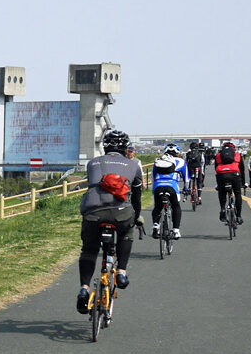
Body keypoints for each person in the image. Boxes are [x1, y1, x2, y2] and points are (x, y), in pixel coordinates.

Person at [76, 130, 143, 314]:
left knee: (89, 250)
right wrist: (136, 217)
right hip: (121, 213)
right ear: (125, 148)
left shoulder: (92, 163)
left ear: (105, 147)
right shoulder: (133, 165)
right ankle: (121, 272)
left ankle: (84, 289)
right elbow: (136, 198)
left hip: (93, 213)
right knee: (126, 233)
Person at [150, 143, 188, 240]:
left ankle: (155, 226)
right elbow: (186, 178)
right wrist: (186, 188)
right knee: (176, 206)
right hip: (172, 187)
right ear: (178, 152)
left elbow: (153, 177)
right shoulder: (181, 162)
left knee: (157, 207)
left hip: (158, 186)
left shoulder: (158, 161)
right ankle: (176, 231)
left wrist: (153, 189)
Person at [214, 140, 245, 225]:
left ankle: (222, 209)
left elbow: (216, 169)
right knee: (238, 194)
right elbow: (242, 169)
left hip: (221, 175)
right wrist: (243, 183)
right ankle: (238, 216)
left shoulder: (218, 156)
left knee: (222, 192)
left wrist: (218, 184)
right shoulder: (238, 155)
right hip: (235, 174)